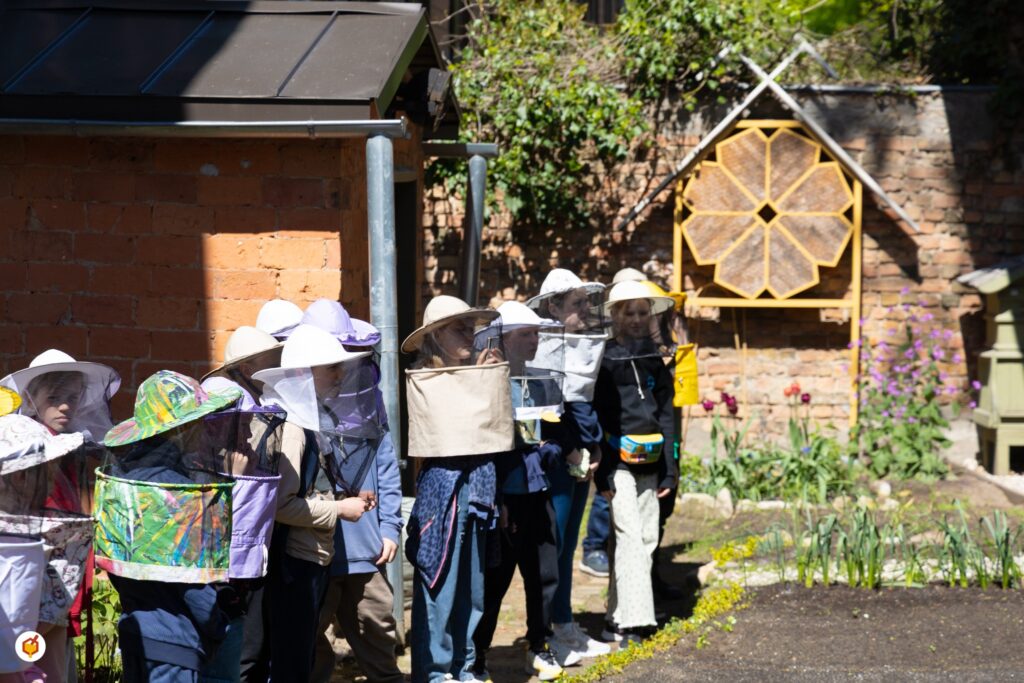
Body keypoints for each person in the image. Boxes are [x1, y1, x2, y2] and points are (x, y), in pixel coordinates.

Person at [98, 371, 246, 683]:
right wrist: (219, 623)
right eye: (199, 421)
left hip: (135, 629)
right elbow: (193, 585)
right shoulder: (179, 493)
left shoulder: (128, 480)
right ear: (183, 427)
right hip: (175, 640)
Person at [251, 324, 375, 682]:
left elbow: (305, 489)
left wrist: (343, 497)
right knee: (291, 662)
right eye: (330, 368)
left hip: (308, 557)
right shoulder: (292, 427)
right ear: (302, 375)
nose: (339, 375)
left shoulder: (307, 421)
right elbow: (280, 505)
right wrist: (339, 509)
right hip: (293, 562)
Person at [403, 296, 508, 683]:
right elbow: (449, 439)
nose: (469, 334)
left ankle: (464, 667)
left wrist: (484, 384)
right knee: (440, 581)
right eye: (458, 328)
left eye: (471, 327)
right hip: (443, 492)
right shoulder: (424, 379)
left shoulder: (480, 372)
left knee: (473, 584)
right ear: (434, 336)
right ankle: (435, 671)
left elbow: (492, 438)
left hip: (480, 487)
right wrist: (479, 388)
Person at [1, 350, 120, 683]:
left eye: (72, 397)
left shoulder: (68, 446)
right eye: (54, 398)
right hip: (29, 590)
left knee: (55, 665)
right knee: (27, 666)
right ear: (31, 397)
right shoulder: (23, 449)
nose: (65, 406)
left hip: (61, 587)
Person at [303, 300, 403, 683]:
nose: (341, 370)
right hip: (315, 553)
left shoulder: (366, 403)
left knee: (377, 637)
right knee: (309, 646)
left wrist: (391, 526)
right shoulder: (291, 409)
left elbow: (386, 467)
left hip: (366, 549)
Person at [472, 302, 570, 681]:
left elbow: (558, 432)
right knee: (495, 580)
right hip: (505, 497)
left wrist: (554, 451)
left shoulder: (541, 380)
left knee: (545, 572)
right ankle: (478, 655)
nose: (534, 341)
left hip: (538, 492)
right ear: (503, 340)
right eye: (525, 335)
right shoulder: (489, 384)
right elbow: (484, 445)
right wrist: (496, 496)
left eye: (536, 334)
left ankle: (538, 644)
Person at [525, 269, 612, 663]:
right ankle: (547, 634)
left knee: (569, 544)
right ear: (553, 306)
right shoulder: (540, 350)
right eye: (576, 303)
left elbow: (583, 405)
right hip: (558, 461)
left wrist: (591, 448)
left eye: (585, 302)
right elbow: (545, 413)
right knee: (554, 545)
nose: (584, 310)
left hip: (579, 458)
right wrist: (572, 449)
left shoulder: (578, 345)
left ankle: (565, 624)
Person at [592, 281, 679, 645]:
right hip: (618, 462)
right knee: (628, 537)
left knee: (644, 537)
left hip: (652, 460)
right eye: (630, 313)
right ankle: (635, 624)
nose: (638, 319)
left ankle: (615, 618)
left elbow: (666, 415)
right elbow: (597, 415)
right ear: (615, 315)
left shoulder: (654, 359)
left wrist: (671, 470)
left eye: (644, 312)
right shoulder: (604, 359)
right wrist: (604, 474)